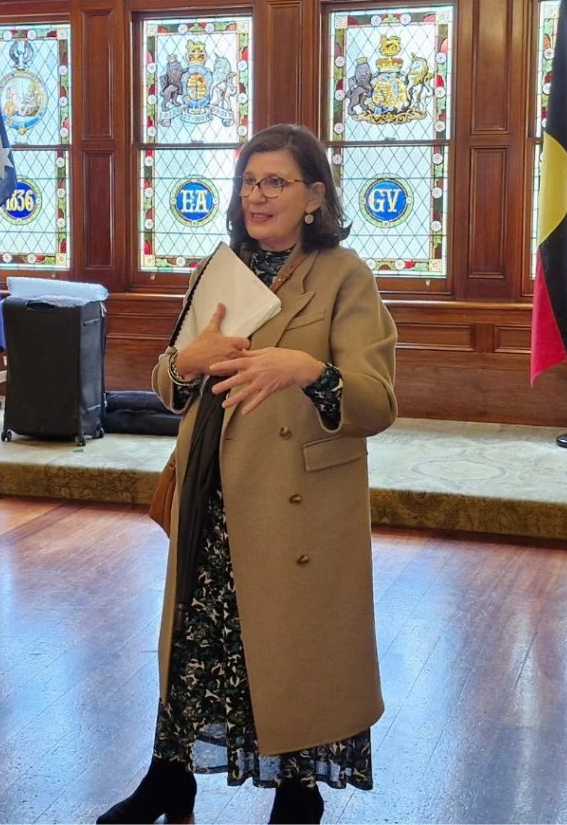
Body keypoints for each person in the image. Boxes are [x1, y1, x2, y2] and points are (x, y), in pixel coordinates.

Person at [98, 123, 398, 825]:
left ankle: (299, 794)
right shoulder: (220, 264)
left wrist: (309, 370)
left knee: (290, 652)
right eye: (249, 181)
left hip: (295, 505)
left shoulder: (344, 275)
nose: (256, 196)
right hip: (214, 493)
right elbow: (168, 383)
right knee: (197, 643)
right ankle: (170, 778)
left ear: (314, 196)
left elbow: (378, 400)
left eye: (276, 182)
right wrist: (188, 362)